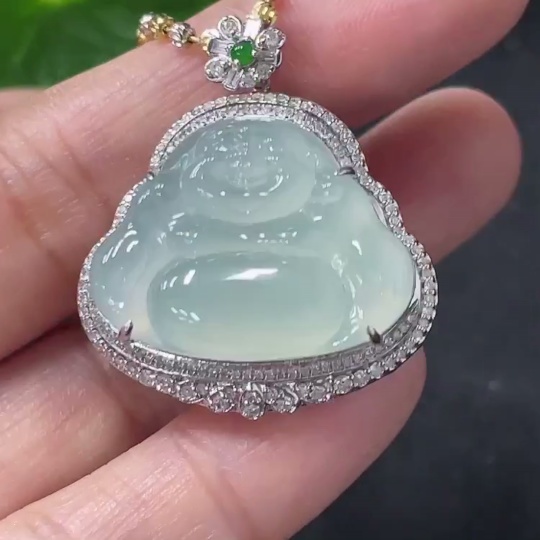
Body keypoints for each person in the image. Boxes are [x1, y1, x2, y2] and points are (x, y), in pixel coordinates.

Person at [0, 0, 526, 538]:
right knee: (178, 290)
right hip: (196, 300)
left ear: (308, 165)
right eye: (224, 161)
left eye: (267, 160)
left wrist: (373, 292)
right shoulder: (172, 211)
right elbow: (126, 258)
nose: (246, 170)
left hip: (310, 299)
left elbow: (375, 258)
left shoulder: (330, 203)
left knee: (317, 292)